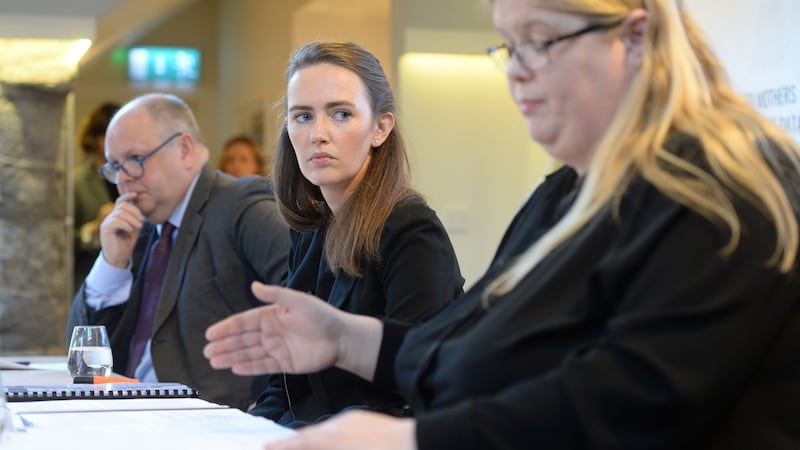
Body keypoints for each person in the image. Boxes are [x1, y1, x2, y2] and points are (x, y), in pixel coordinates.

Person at [204, 0, 800, 448]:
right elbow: (477, 342)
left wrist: (408, 441)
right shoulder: (568, 193)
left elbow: (635, 398)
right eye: (510, 48)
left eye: (540, 41)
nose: (517, 71)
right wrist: (344, 338)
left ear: (636, 37)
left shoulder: (726, 182)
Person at [246, 41, 464, 427]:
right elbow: (284, 384)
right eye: (302, 116)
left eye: (341, 114)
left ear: (380, 128)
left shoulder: (412, 230)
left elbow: (408, 389)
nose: (318, 134)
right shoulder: (311, 228)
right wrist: (248, 430)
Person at [68, 92, 291, 410]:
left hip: (209, 423)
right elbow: (81, 357)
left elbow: (308, 310)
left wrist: (268, 412)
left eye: (134, 161)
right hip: (125, 413)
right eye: (114, 167)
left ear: (185, 149)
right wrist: (111, 262)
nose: (123, 182)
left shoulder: (242, 205)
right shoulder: (140, 229)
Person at [73, 101, 120, 292]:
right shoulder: (78, 181)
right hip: (92, 279)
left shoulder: (131, 175)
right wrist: (91, 230)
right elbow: (59, 240)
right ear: (97, 138)